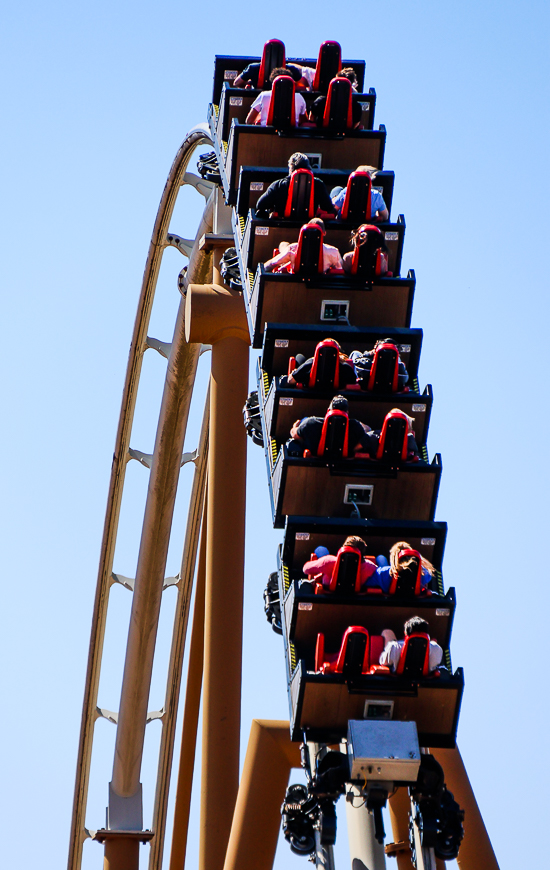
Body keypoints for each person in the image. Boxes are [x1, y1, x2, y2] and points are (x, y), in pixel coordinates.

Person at [255, 153, 336, 218]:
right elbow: (329, 209)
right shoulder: (319, 185)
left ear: (290, 168)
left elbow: (260, 205)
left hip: (281, 228)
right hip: (309, 229)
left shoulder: (278, 185)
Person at [287, 395, 366, 457]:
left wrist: (295, 427)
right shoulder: (356, 426)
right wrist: (351, 451)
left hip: (315, 464)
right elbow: (366, 440)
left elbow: (294, 435)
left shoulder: (310, 423)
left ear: (328, 411)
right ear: (347, 413)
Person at [264, 219, 343, 274]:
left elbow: (271, 264)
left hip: (295, 280)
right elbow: (339, 271)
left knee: (283, 244)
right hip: (318, 284)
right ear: (324, 233)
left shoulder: (293, 249)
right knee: (284, 245)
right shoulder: (333, 252)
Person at [301, 535, 380, 590]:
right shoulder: (370, 567)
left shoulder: (328, 562)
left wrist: (323, 567)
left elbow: (305, 569)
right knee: (381, 558)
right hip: (355, 598)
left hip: (327, 595)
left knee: (321, 549)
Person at [285, 339, 357, 388]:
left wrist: (294, 373)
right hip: (335, 395)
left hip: (311, 392)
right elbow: (354, 384)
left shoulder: (310, 363)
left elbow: (290, 381)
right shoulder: (346, 368)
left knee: (299, 357)